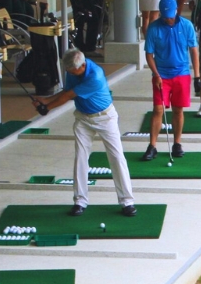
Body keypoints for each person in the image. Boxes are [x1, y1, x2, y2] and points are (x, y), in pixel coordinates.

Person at [37, 49, 136, 217]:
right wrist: (45, 100)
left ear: (83, 65)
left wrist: (47, 107)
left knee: (117, 157)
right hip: (83, 118)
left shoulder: (95, 75)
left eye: (72, 71)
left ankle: (127, 201)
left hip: (105, 118)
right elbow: (66, 91)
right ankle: (80, 201)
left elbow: (69, 94)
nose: (69, 73)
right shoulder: (72, 69)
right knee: (81, 158)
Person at [143, 0, 198, 161]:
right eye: (165, 16)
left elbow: (193, 51)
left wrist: (197, 76)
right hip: (161, 75)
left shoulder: (186, 25)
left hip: (182, 73)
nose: (169, 18)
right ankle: (152, 146)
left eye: (171, 15)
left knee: (178, 109)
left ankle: (177, 143)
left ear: (176, 11)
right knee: (158, 110)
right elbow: (149, 55)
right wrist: (156, 74)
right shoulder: (154, 28)